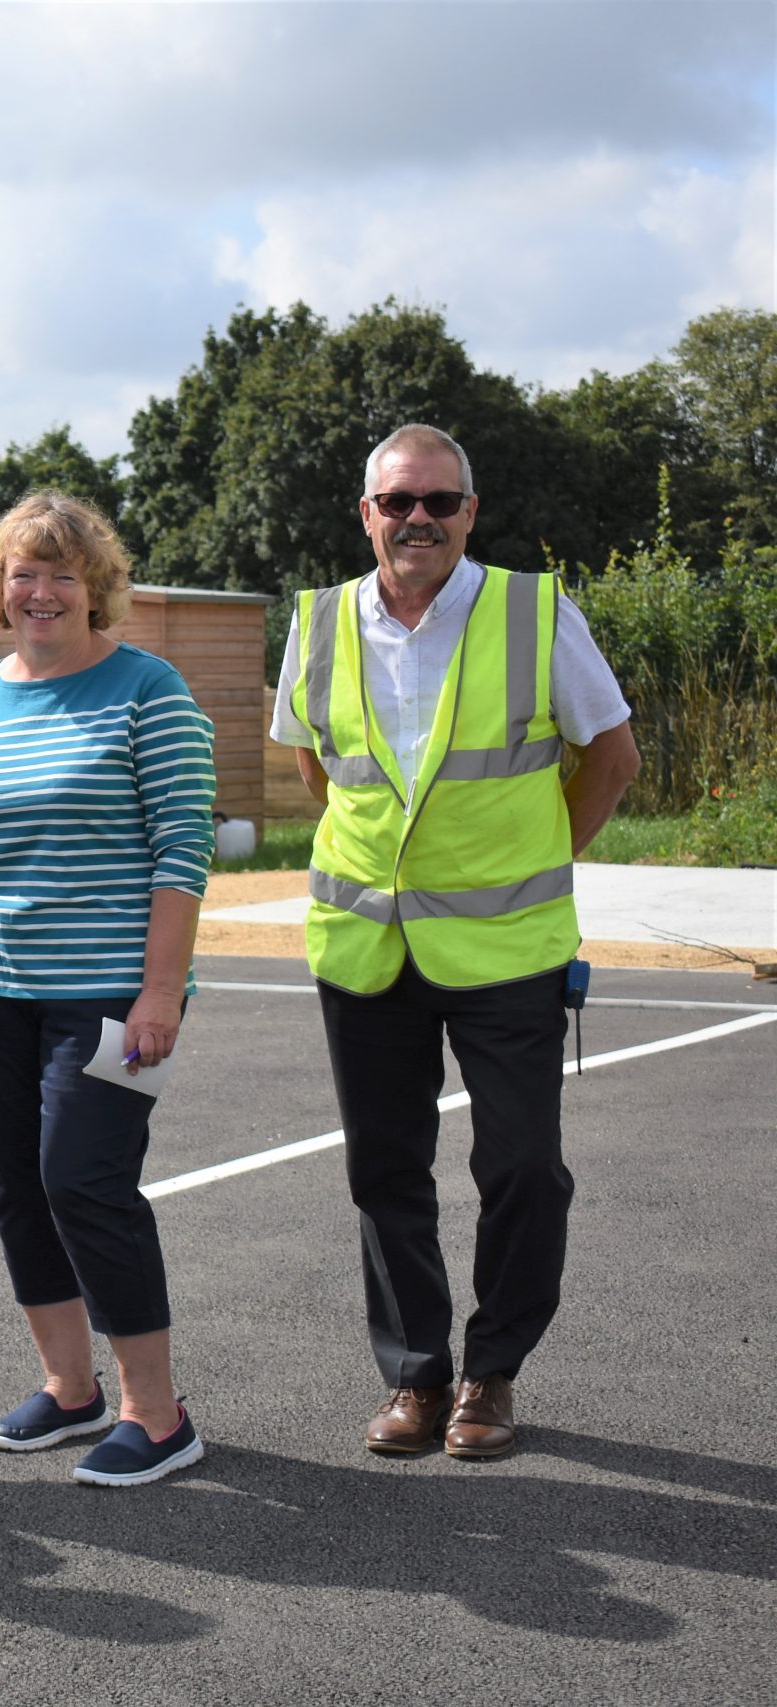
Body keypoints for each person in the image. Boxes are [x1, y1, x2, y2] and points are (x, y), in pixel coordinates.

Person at [272, 423, 639, 1461]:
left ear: (470, 513)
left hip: (505, 947)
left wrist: (535, 857)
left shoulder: (532, 611)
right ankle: (416, 1378)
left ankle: (493, 1371)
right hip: (364, 947)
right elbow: (317, 769)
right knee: (383, 1172)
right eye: (397, 503)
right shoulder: (320, 622)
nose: (417, 520)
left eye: (438, 502)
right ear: (366, 515)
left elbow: (611, 757)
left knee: (522, 1166)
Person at [0, 492, 218, 1488]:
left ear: (97, 590)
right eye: (21, 572)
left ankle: (157, 1414)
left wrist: (161, 993)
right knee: (16, 1188)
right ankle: (69, 1389)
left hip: (104, 997)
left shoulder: (147, 688)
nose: (38, 591)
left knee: (83, 1181)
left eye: (59, 574)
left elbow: (182, 853)